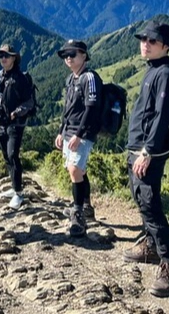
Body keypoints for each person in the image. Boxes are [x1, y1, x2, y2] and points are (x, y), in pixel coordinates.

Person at [122, 21, 169, 297]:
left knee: (150, 203)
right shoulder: (154, 69)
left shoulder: (168, 74)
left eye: (152, 41)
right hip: (138, 147)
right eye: (143, 39)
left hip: (149, 150)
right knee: (140, 196)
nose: (145, 44)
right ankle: (149, 245)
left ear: (166, 46)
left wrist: (147, 150)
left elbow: (162, 116)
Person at [54, 40, 103, 238]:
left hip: (82, 132)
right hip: (69, 131)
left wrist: (79, 134)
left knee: (74, 170)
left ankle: (78, 215)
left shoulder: (89, 77)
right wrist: (61, 131)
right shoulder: (71, 79)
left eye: (73, 54)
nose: (68, 58)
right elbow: (68, 109)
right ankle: (86, 206)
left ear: (84, 55)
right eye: (65, 54)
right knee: (77, 170)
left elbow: (91, 107)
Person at [0, 44, 35, 209]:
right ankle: (14, 186)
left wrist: (16, 112)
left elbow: (29, 101)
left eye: (6, 56)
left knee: (12, 154)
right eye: (1, 56)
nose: (3, 59)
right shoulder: (1, 74)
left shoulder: (21, 78)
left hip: (16, 123)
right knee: (6, 156)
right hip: (2, 121)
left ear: (14, 58)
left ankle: (18, 193)